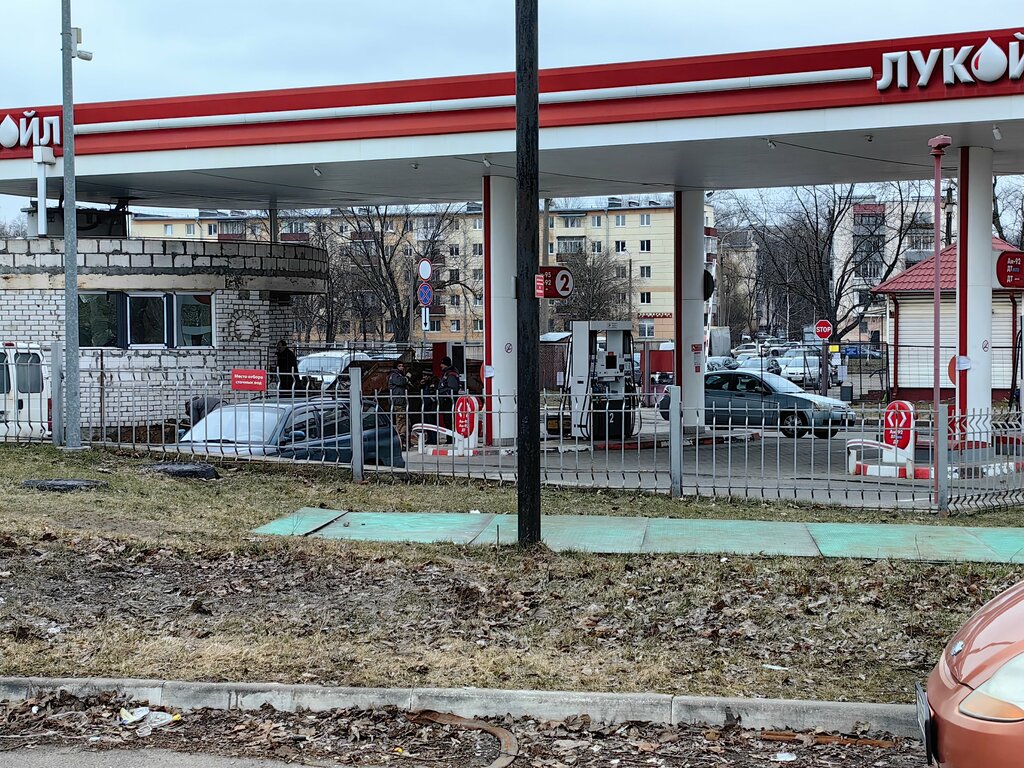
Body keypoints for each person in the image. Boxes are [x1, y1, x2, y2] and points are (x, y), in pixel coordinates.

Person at [387, 361, 411, 447]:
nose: (402, 368)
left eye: (402, 366)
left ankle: (405, 441)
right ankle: (401, 442)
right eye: (400, 366)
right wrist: (407, 378)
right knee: (400, 421)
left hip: (401, 401)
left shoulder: (398, 375)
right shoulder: (394, 375)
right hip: (398, 402)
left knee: (404, 421)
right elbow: (400, 382)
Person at [437, 356, 461, 435]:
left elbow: (453, 388)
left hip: (449, 400)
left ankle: (451, 438)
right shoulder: (447, 373)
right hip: (446, 399)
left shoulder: (450, 374)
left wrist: (444, 393)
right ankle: (450, 438)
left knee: (449, 419)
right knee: (447, 419)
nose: (441, 366)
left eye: (442, 364)